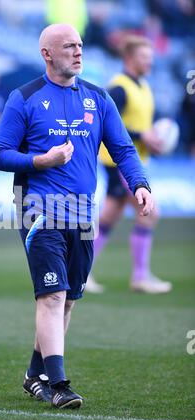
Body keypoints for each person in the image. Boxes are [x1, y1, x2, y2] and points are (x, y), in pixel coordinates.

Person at [0, 24, 153, 409]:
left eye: (80, 45)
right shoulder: (24, 98)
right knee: (52, 294)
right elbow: (1, 154)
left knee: (67, 300)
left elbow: (124, 149)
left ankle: (35, 374)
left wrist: (139, 183)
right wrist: (41, 160)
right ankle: (60, 384)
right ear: (47, 54)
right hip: (39, 210)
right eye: (68, 47)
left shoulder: (97, 99)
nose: (78, 52)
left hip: (82, 212)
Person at [86, 35, 172, 295]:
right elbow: (105, 124)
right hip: (120, 162)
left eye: (151, 58)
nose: (149, 62)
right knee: (150, 213)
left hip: (134, 161)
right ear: (129, 58)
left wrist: (151, 140)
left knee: (108, 217)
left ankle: (80, 272)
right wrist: (140, 136)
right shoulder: (119, 88)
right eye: (144, 57)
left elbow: (139, 125)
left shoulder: (143, 86)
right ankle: (140, 276)